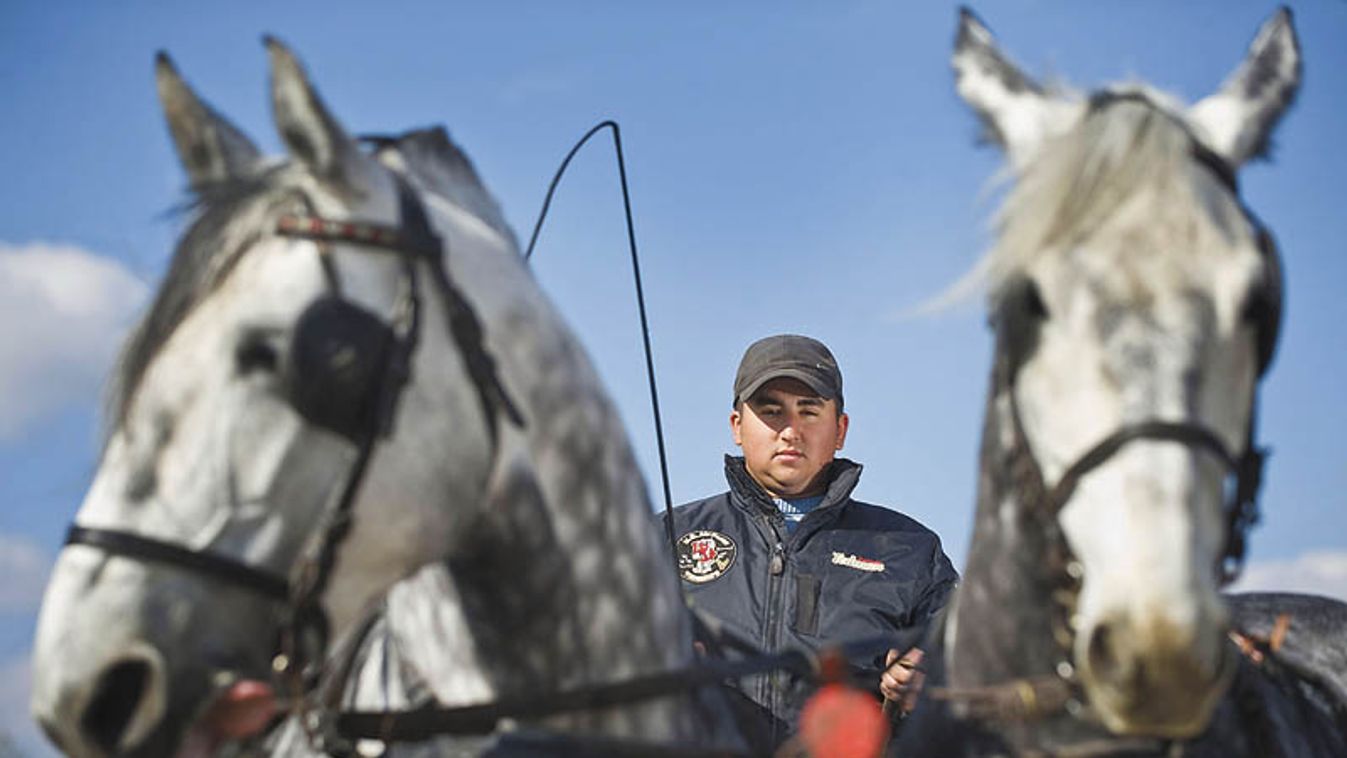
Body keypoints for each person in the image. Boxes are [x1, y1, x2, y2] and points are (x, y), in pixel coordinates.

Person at [665, 334, 958, 749]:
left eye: (809, 412)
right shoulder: (663, 537)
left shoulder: (912, 551)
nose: (790, 431)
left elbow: (976, 693)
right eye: (771, 411)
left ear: (840, 429)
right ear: (736, 427)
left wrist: (927, 694)